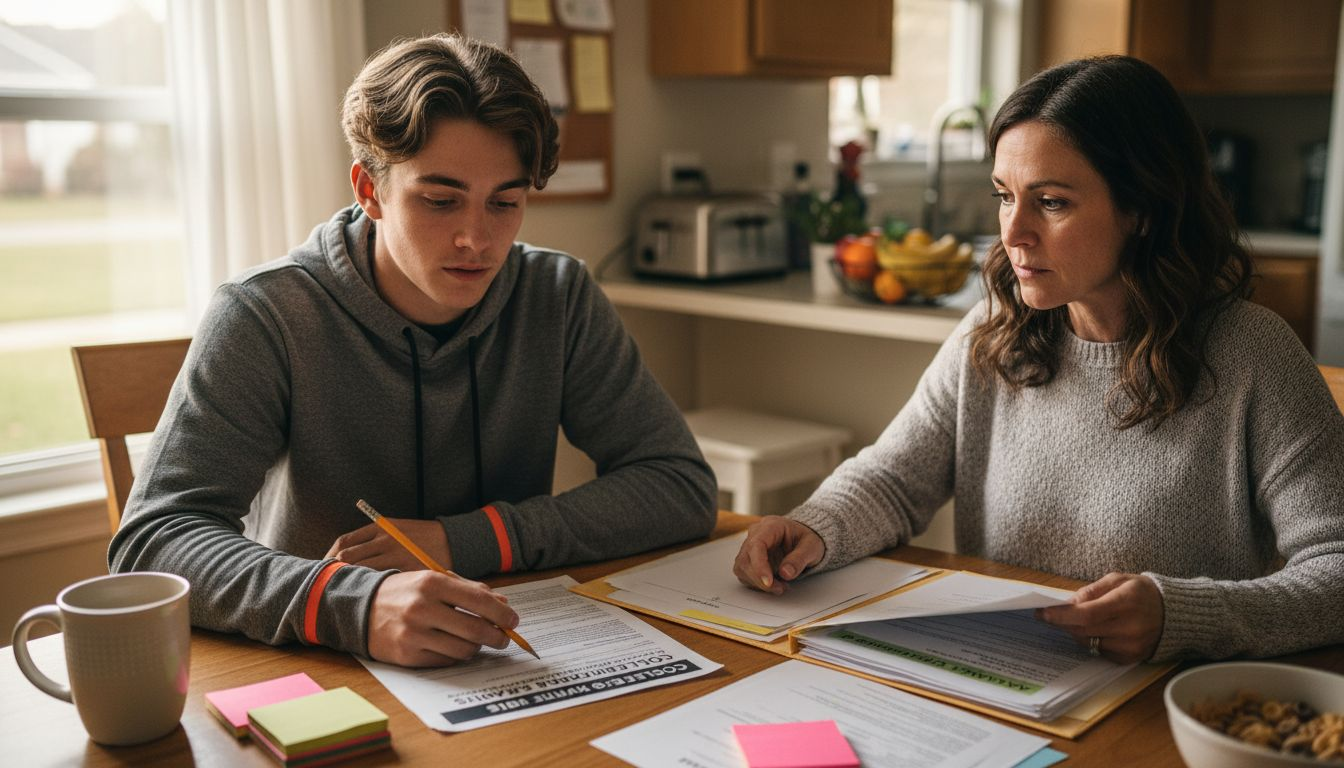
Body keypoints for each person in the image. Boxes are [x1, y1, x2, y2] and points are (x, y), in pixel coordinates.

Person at [110, 34, 717, 667]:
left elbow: (679, 486)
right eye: (439, 200)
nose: (475, 238)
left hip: (505, 650)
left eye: (504, 203)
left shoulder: (557, 295)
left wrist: (469, 541)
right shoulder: (266, 313)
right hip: (317, 657)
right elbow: (154, 540)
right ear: (369, 190)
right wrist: (357, 602)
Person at [733, 55, 1344, 664]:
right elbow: (892, 480)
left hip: (1157, 704)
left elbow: (1337, 570)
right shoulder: (994, 331)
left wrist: (1179, 615)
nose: (1014, 232)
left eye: (1050, 202)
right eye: (1005, 196)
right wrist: (814, 528)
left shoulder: (1252, 355)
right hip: (1004, 679)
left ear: (1144, 210)